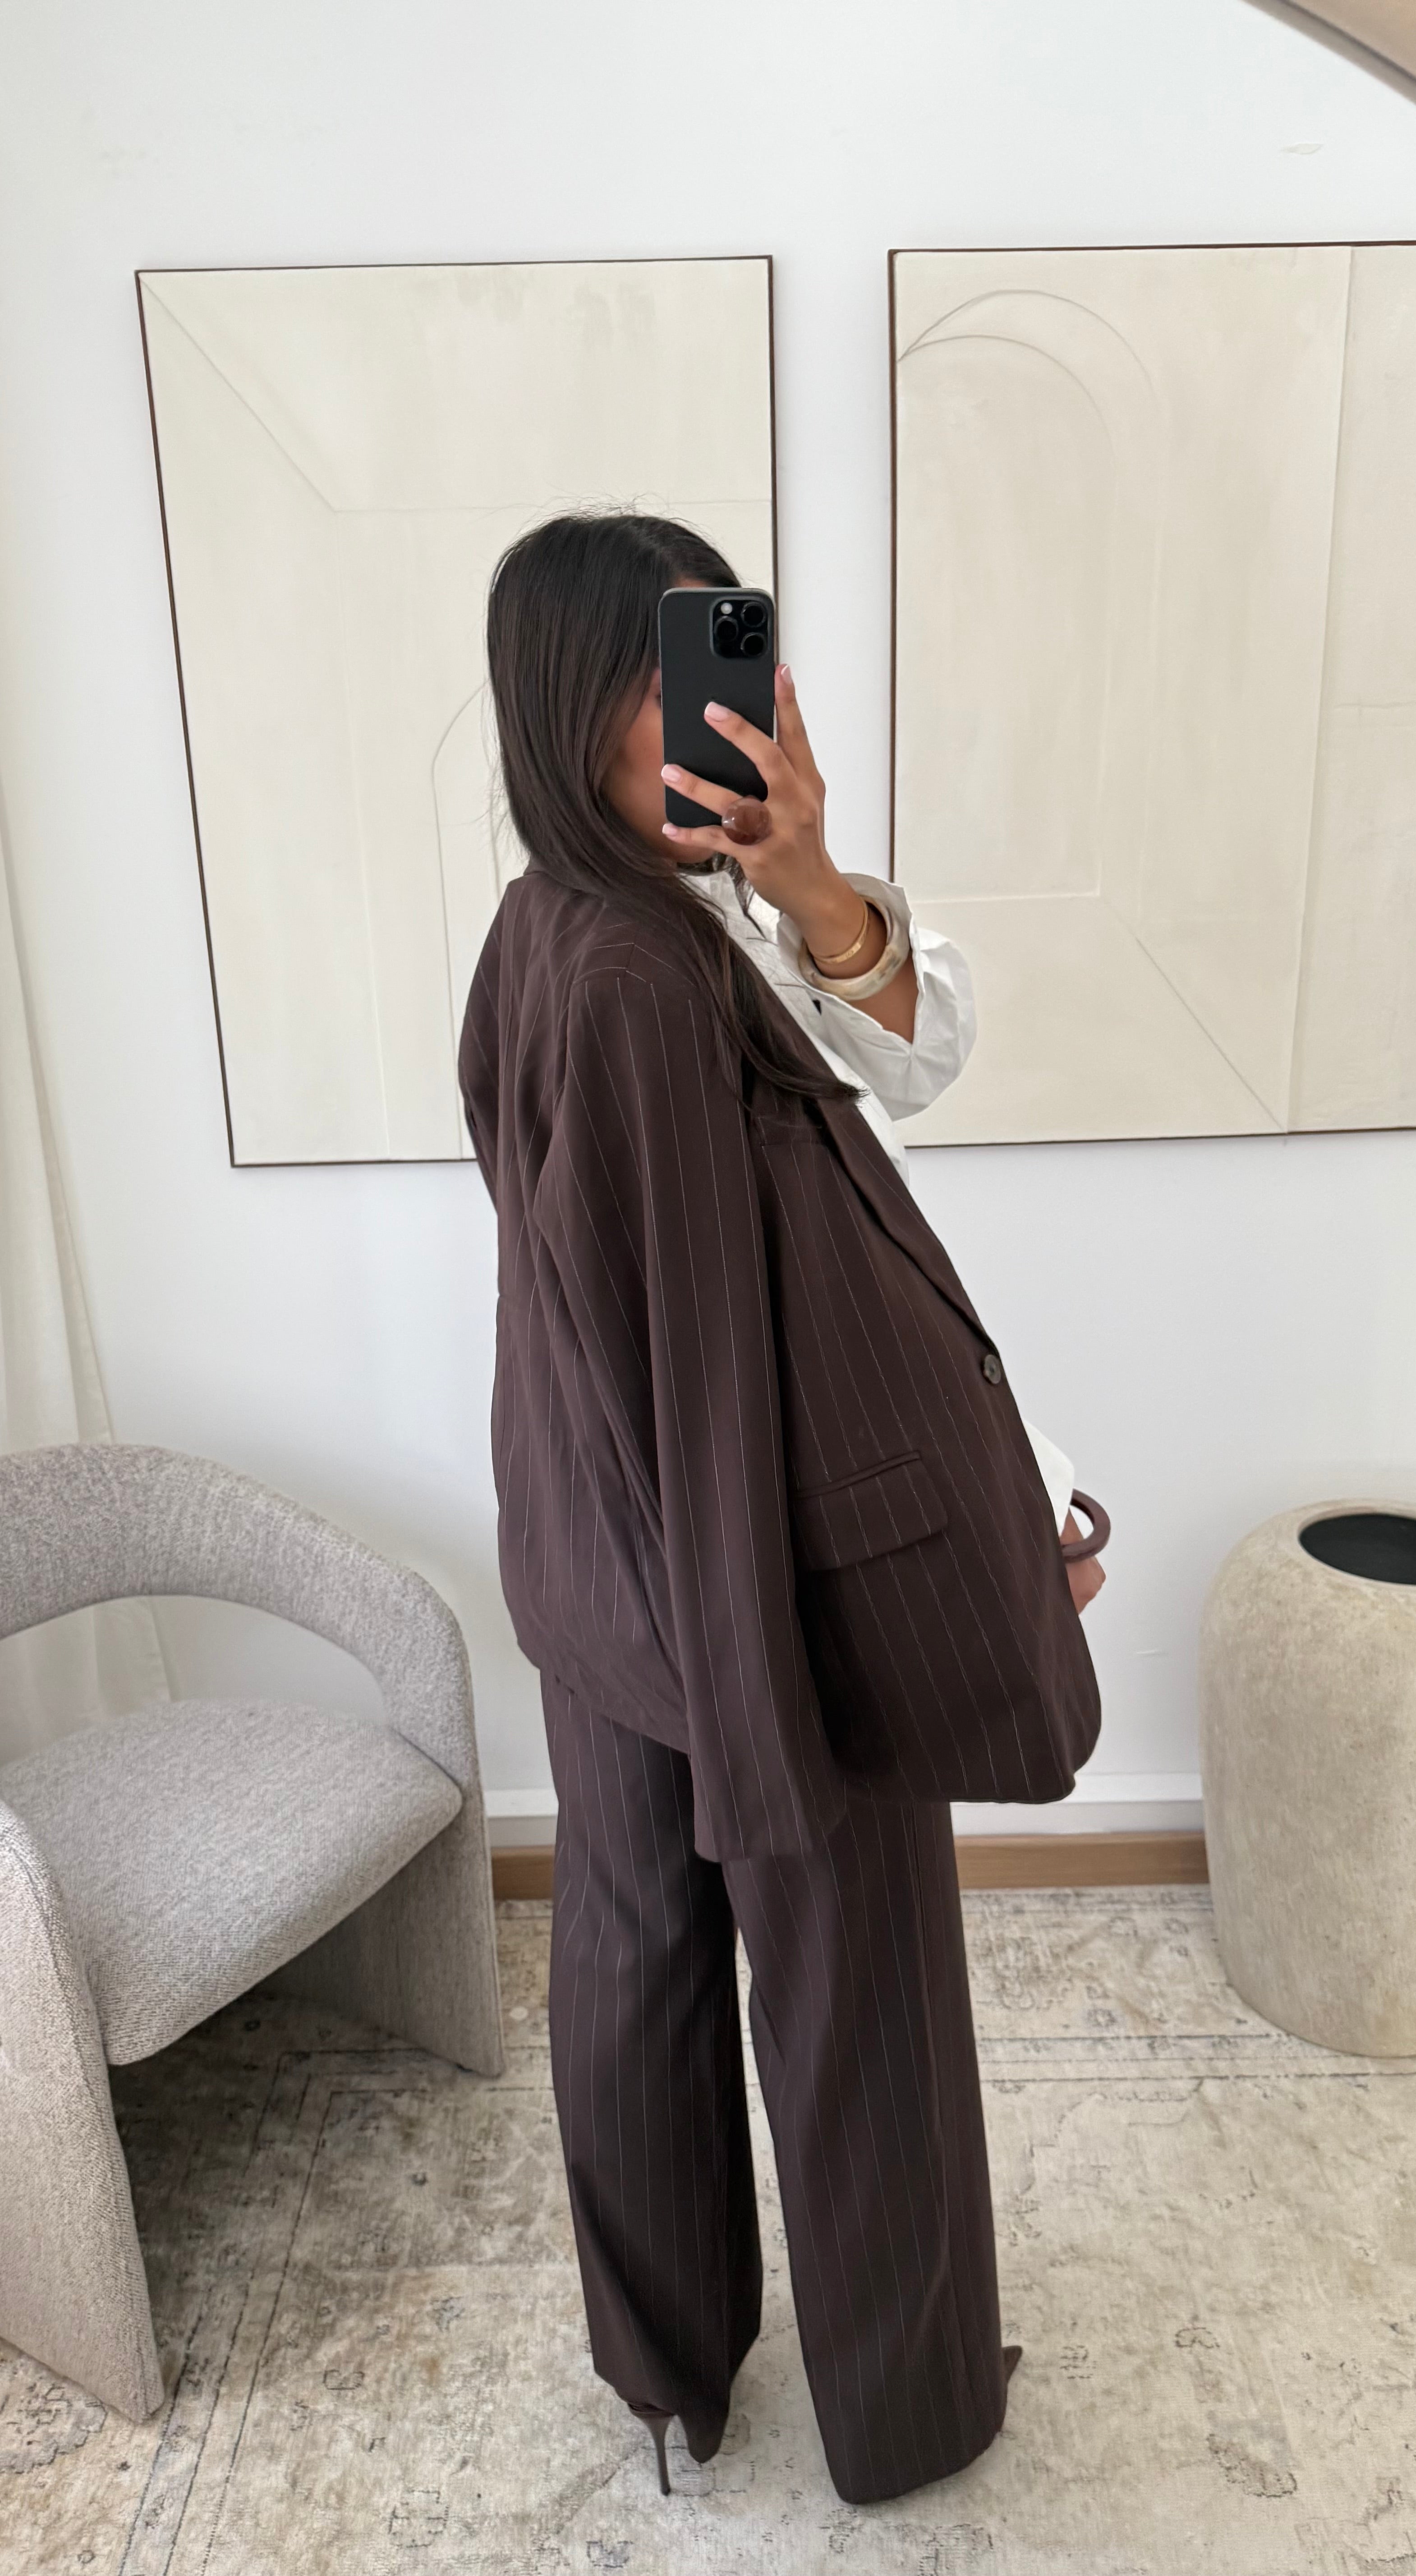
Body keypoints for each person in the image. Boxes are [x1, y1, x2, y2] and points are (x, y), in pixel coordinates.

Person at [459, 510, 1104, 2508]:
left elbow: (617, 1286)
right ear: (564, 707)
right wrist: (765, 1685)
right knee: (858, 1988)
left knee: (632, 1950)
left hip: (599, 1564)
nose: (707, 717)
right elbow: (719, 1365)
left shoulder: (561, 929)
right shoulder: (648, 973)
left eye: (717, 659)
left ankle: (665, 2373)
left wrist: (806, 876)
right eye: (653, 678)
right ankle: (914, 2414)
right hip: (763, 1591)